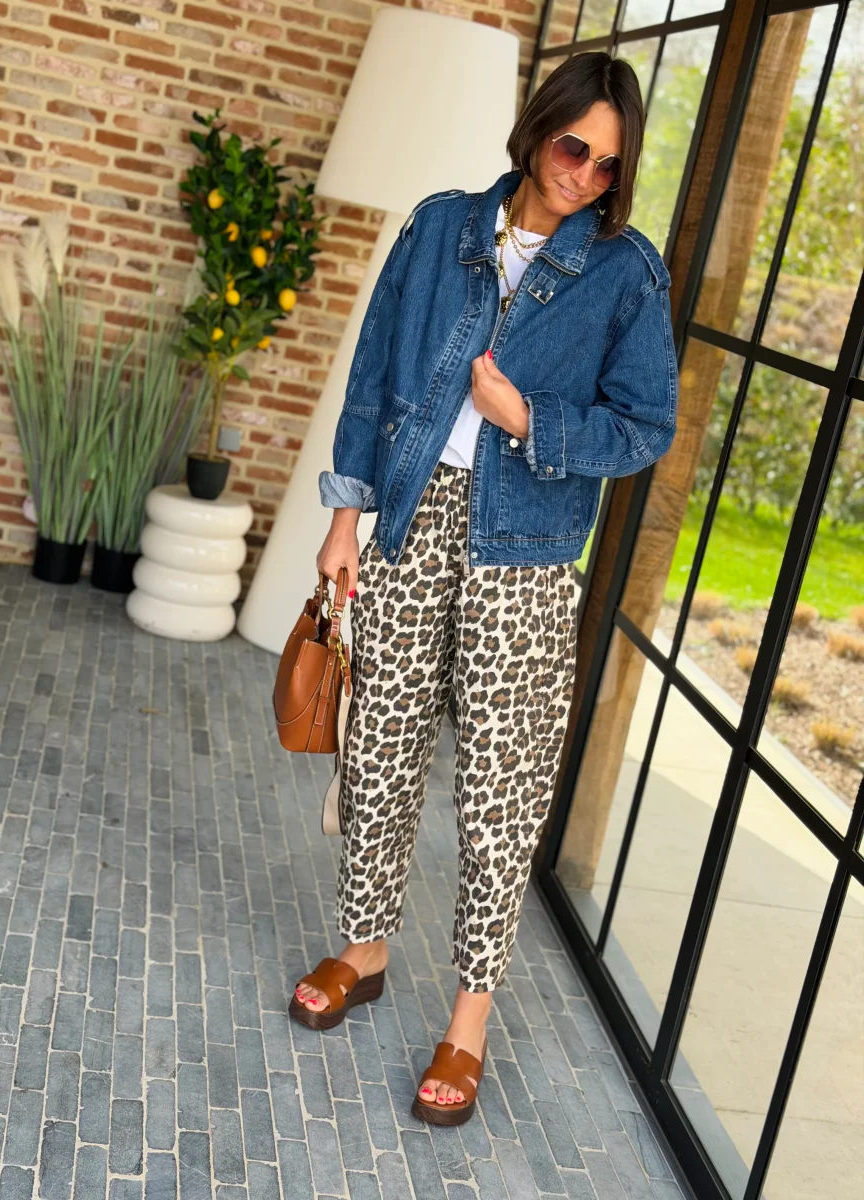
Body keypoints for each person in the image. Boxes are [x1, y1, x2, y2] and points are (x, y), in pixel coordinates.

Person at [287, 50, 678, 1126]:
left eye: (608, 165)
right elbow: (374, 376)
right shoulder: (441, 228)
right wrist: (345, 517)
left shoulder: (626, 273)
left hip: (529, 551)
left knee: (501, 790)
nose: (583, 174)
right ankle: (365, 950)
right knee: (381, 746)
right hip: (413, 519)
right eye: (573, 147)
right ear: (540, 128)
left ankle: (468, 1021)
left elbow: (645, 426)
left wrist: (528, 421)